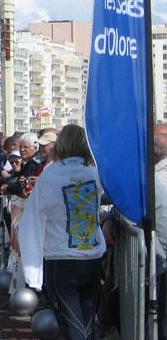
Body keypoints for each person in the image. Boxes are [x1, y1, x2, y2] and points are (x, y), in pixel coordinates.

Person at [19, 124, 106, 340]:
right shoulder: (95, 174)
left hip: (61, 260)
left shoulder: (50, 176)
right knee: (86, 324)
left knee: (72, 325)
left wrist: (32, 272)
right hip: (92, 258)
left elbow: (31, 221)